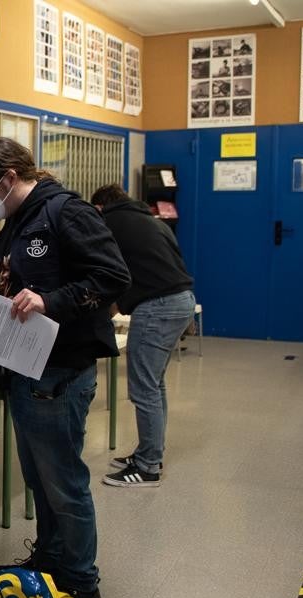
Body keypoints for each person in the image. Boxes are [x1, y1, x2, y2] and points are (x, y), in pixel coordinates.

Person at [0, 137, 129, 598]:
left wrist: (48, 301)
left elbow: (113, 276)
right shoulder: (15, 224)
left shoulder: (65, 213)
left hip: (58, 369)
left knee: (63, 481)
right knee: (38, 478)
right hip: (22, 369)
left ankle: (80, 582)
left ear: (10, 178)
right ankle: (52, 560)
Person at [90, 185, 195, 488]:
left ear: (99, 208)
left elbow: (109, 273)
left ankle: (148, 467)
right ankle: (150, 453)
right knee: (155, 383)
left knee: (144, 388)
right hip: (182, 301)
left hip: (158, 307)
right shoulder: (151, 220)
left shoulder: (111, 224)